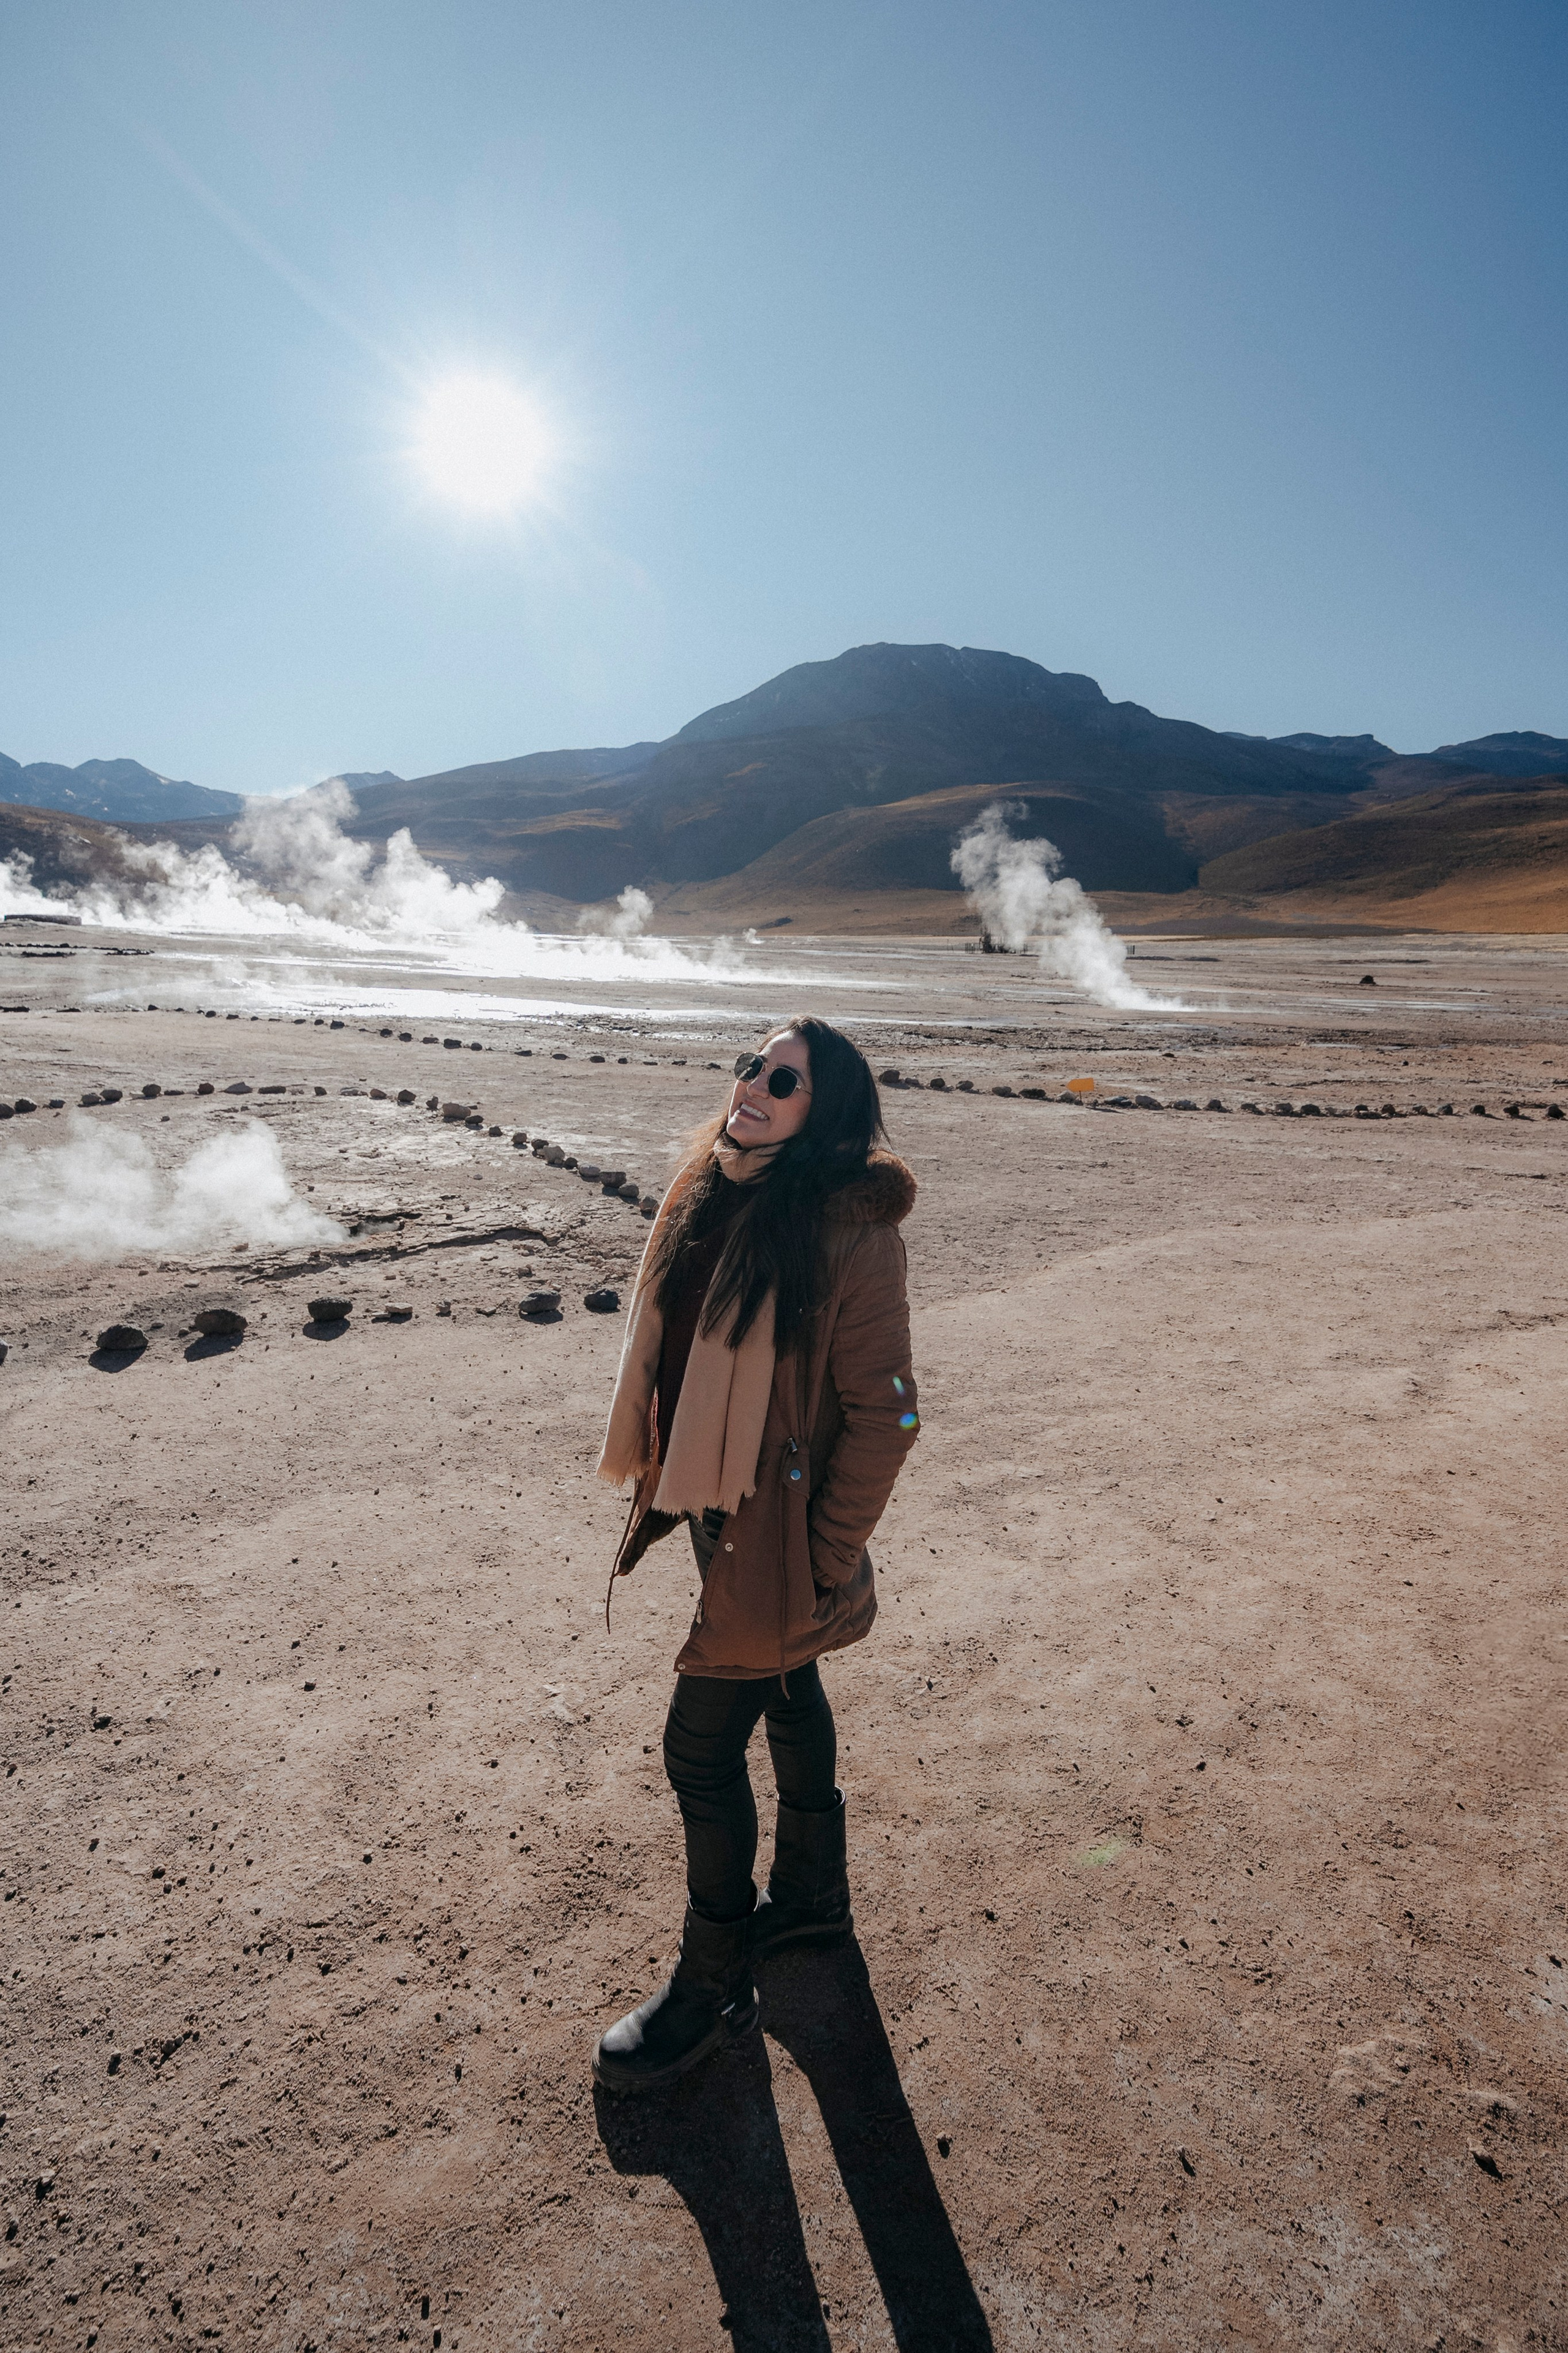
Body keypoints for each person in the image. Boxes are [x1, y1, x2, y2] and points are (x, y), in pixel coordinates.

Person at [591, 1015, 920, 2094]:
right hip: (712, 1502)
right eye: (749, 1065)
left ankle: (715, 1981)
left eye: (783, 1079)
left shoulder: (850, 1225)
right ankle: (814, 1901)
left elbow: (885, 1415)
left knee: (699, 1748)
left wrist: (824, 1559)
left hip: (776, 1527)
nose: (753, 1086)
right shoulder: (717, 1183)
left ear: (824, 1111)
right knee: (789, 1683)